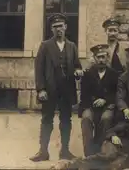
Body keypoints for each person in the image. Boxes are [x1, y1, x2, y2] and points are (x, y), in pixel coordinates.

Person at [30, 13, 83, 162]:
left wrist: (78, 71)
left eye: (60, 26)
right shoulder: (45, 46)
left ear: (65, 27)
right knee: (47, 120)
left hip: (66, 90)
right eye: (55, 27)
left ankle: (65, 151)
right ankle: (43, 152)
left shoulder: (72, 46)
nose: (58, 29)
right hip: (49, 90)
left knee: (66, 120)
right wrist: (41, 89)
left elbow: (77, 65)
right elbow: (39, 69)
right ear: (51, 29)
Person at [79, 44, 119, 157]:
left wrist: (105, 100)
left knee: (106, 119)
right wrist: (93, 102)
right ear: (94, 58)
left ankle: (102, 152)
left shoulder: (114, 74)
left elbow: (116, 93)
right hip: (91, 106)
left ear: (107, 58)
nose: (101, 60)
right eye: (98, 57)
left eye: (103, 57)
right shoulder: (87, 74)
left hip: (108, 105)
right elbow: (84, 95)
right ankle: (89, 154)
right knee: (86, 118)